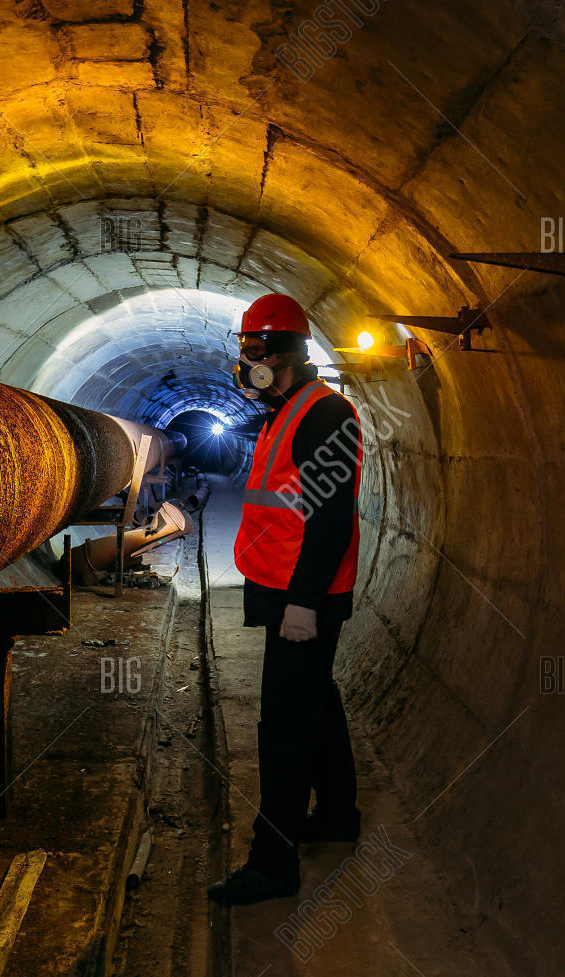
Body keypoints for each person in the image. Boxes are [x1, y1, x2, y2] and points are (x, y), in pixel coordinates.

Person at [208, 293, 363, 906]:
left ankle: (273, 863)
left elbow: (329, 520)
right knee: (317, 705)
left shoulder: (327, 415)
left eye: (256, 351)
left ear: (288, 353)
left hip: (305, 597)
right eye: (244, 350)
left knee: (284, 728)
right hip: (281, 586)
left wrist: (303, 604)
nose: (248, 363)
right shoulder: (285, 410)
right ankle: (337, 817)